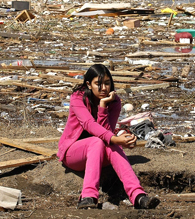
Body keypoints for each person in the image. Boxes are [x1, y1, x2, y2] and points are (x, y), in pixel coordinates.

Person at [57, 64, 160, 210]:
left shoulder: (114, 102)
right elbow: (88, 124)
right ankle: (88, 196)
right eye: (98, 84)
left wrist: (103, 106)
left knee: (109, 143)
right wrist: (115, 138)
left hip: (98, 153)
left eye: (107, 83)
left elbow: (106, 132)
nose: (104, 88)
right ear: (88, 84)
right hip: (73, 154)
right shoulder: (78, 97)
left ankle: (138, 196)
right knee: (98, 142)